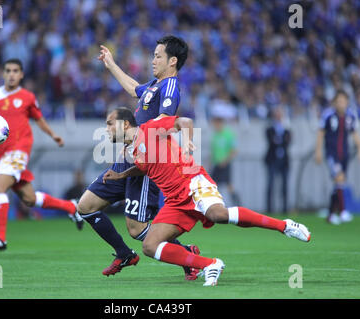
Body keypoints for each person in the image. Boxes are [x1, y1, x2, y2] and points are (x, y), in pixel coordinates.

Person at [102, 108, 311, 286]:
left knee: (217, 214)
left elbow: (185, 121)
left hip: (192, 182)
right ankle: (210, 264)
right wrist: (121, 175)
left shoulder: (150, 129)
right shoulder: (131, 150)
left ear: (126, 124)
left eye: (110, 123)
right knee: (149, 245)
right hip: (175, 200)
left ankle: (284, 226)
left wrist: (186, 142)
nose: (106, 128)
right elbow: (143, 168)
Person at [72, 35, 200, 279]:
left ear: (172, 61)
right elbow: (133, 88)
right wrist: (110, 64)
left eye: (157, 56)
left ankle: (188, 256)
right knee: (86, 206)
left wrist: (137, 140)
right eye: (153, 55)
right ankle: (124, 254)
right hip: (128, 157)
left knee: (137, 229)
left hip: (145, 163)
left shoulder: (170, 86)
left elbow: (165, 122)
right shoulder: (154, 85)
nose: (153, 60)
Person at [0, 58, 83, 251]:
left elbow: (39, 119)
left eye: (15, 71)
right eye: (8, 71)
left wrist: (53, 135)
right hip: (3, 153)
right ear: (3, 74)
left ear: (21, 74)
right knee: (29, 199)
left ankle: (0, 238)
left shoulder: (27, 97)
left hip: (20, 149)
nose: (12, 74)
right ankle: (72, 208)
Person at [315, 89, 360, 225]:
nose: (341, 104)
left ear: (347, 102)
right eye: (339, 101)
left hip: (344, 154)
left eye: (343, 101)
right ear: (334, 103)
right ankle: (342, 211)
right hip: (332, 154)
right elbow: (320, 133)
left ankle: (331, 215)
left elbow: (354, 133)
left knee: (338, 184)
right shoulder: (328, 115)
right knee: (339, 178)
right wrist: (318, 151)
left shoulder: (350, 116)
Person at [209, 109, 241, 206]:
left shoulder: (228, 135)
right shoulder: (215, 135)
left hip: (225, 164)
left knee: (229, 185)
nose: (215, 125)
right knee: (212, 184)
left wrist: (226, 160)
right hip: (217, 164)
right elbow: (214, 152)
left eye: (216, 123)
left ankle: (237, 204)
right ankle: (215, 204)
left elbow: (234, 150)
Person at [264, 107, 291, 213]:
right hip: (272, 160)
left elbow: (287, 142)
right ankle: (269, 209)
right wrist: (280, 141)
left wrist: (278, 140)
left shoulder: (286, 130)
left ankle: (285, 209)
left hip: (284, 161)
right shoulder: (269, 129)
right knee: (270, 185)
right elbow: (271, 141)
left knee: (284, 186)